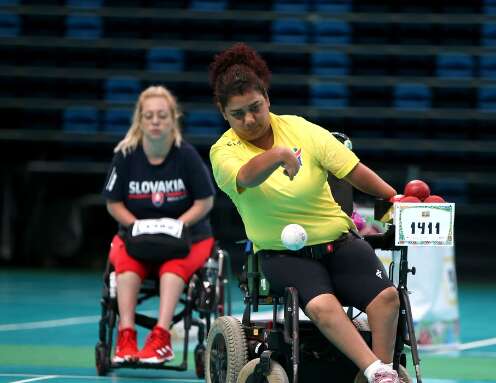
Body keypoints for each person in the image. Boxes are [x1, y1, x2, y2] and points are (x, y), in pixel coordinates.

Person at [208, 43, 402, 383]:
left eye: (255, 107)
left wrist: (393, 196)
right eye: (238, 114)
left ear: (267, 98)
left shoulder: (301, 129)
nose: (250, 119)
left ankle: (375, 372)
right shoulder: (224, 151)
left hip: (338, 242)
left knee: (387, 298)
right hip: (283, 255)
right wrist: (278, 155)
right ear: (224, 113)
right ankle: (378, 373)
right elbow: (246, 177)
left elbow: (351, 169)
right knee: (322, 306)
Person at [102, 85, 215, 364]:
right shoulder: (126, 155)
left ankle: (161, 338)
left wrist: (176, 225)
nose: (155, 122)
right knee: (126, 266)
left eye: (162, 116)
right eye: (149, 116)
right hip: (137, 236)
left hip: (188, 237)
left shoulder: (186, 155)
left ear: (173, 118)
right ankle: (126, 336)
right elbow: (113, 202)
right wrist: (138, 226)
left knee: (172, 269)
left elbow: (205, 201)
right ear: (140, 119)